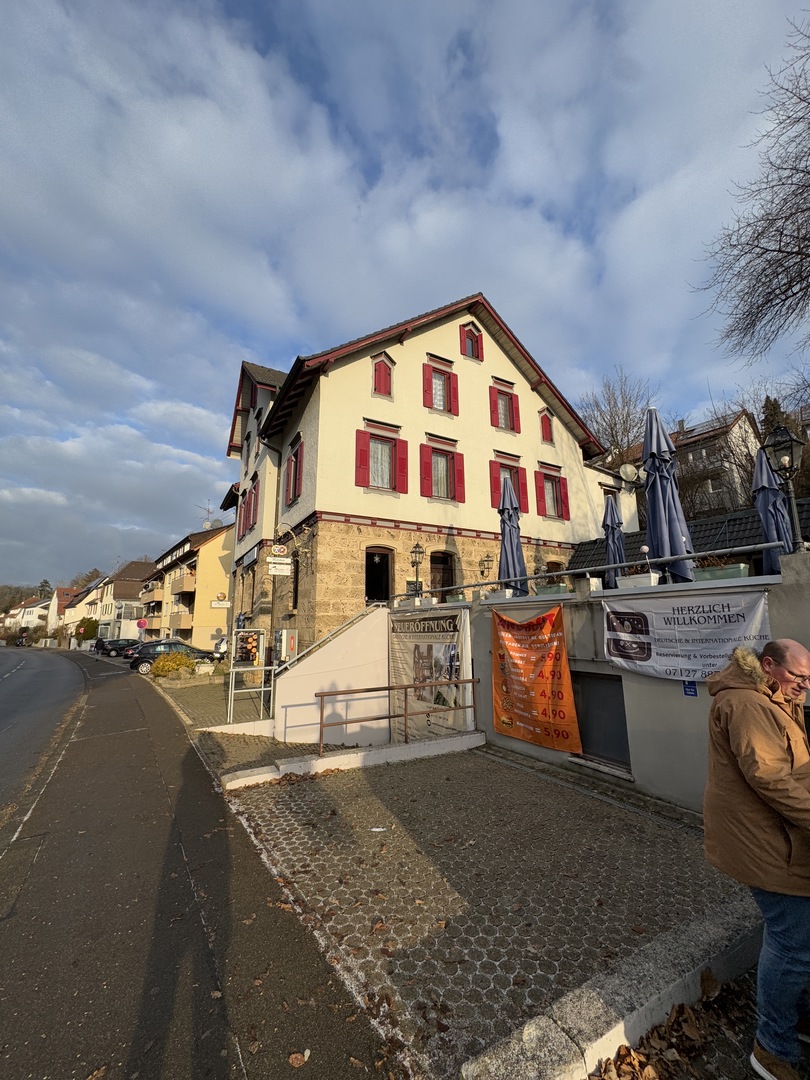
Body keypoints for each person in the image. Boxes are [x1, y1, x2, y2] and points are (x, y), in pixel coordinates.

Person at [704, 638, 810, 1080]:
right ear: (768, 666)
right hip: (766, 844)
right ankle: (772, 1049)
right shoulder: (747, 705)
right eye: (798, 677)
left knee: (797, 940)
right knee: (792, 945)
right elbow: (770, 778)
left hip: (780, 837)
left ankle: (794, 1021)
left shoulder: (775, 698)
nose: (805, 685)